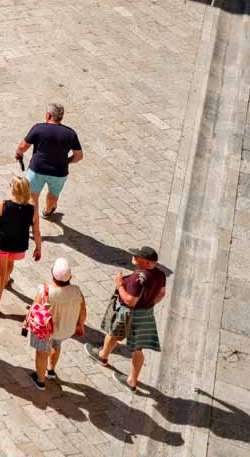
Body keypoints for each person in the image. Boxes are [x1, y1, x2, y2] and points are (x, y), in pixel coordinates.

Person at [96, 245, 170, 391]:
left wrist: (119, 286)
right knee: (138, 348)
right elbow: (162, 293)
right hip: (145, 313)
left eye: (138, 256)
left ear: (148, 262)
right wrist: (148, 304)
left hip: (129, 312)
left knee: (114, 332)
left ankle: (103, 356)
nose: (134, 257)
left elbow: (130, 301)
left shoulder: (139, 278)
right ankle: (131, 379)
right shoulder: (160, 274)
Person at [0, 174, 42, 317]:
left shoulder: (4, 205)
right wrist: (38, 247)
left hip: (1, 243)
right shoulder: (32, 209)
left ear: (14, 190)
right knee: (9, 264)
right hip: (18, 244)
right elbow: (36, 230)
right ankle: (7, 279)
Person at [26, 257, 86, 389]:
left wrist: (26, 323)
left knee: (42, 352)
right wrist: (80, 325)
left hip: (46, 330)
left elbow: (34, 309)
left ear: (53, 274)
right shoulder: (77, 291)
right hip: (65, 329)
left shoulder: (45, 291)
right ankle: (51, 370)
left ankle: (40, 380)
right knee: (56, 346)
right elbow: (83, 312)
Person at [15, 103, 82, 218]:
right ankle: (47, 211)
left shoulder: (39, 128)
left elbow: (22, 147)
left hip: (37, 169)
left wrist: (19, 153)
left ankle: (33, 224)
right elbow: (79, 156)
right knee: (53, 195)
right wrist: (67, 161)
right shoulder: (70, 133)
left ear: (48, 115)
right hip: (59, 172)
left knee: (32, 197)